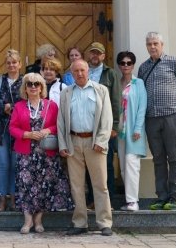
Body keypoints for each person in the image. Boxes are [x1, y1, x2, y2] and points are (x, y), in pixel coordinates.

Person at [9, 73, 73, 233]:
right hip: (26, 153)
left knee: (44, 187)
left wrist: (46, 130)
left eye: (36, 84)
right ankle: (27, 220)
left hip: (46, 154)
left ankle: (38, 220)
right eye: (29, 84)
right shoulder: (18, 106)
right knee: (25, 186)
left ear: (41, 87)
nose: (33, 87)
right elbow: (12, 128)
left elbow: (58, 125)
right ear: (25, 87)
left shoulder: (51, 105)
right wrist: (27, 134)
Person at [57, 60, 114, 236]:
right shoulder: (66, 93)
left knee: (100, 184)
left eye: (82, 70)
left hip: (94, 142)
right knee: (76, 185)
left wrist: (101, 141)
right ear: (71, 73)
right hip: (73, 142)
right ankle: (80, 222)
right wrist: (63, 144)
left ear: (88, 71)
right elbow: (61, 121)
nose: (79, 73)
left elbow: (107, 118)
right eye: (76, 71)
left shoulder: (101, 90)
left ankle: (104, 223)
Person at [138, 31, 176, 211]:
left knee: (174, 157)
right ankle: (161, 196)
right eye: (149, 44)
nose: (152, 47)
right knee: (158, 159)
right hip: (151, 118)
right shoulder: (143, 67)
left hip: (171, 116)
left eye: (155, 44)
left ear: (162, 45)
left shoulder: (174, 62)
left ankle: (174, 197)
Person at [0, 49, 23, 211]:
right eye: (9, 63)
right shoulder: (0, 80)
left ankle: (14, 198)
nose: (11, 65)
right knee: (3, 164)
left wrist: (14, 108)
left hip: (19, 130)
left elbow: (30, 100)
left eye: (14, 62)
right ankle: (2, 198)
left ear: (20, 64)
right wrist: (4, 107)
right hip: (1, 129)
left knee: (15, 164)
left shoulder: (26, 81)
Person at [85, 42, 121, 201]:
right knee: (88, 165)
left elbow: (116, 101)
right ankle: (92, 199)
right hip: (85, 125)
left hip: (104, 126)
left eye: (98, 53)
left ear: (103, 56)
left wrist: (114, 126)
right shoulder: (82, 71)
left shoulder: (110, 73)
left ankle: (109, 200)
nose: (95, 56)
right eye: (92, 53)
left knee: (106, 164)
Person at [115, 51, 147, 212]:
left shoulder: (138, 83)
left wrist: (138, 128)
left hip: (134, 130)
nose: (125, 65)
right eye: (122, 63)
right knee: (122, 166)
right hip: (120, 131)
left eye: (129, 63)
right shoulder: (117, 82)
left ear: (133, 65)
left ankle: (133, 201)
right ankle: (129, 200)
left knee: (131, 164)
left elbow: (142, 106)